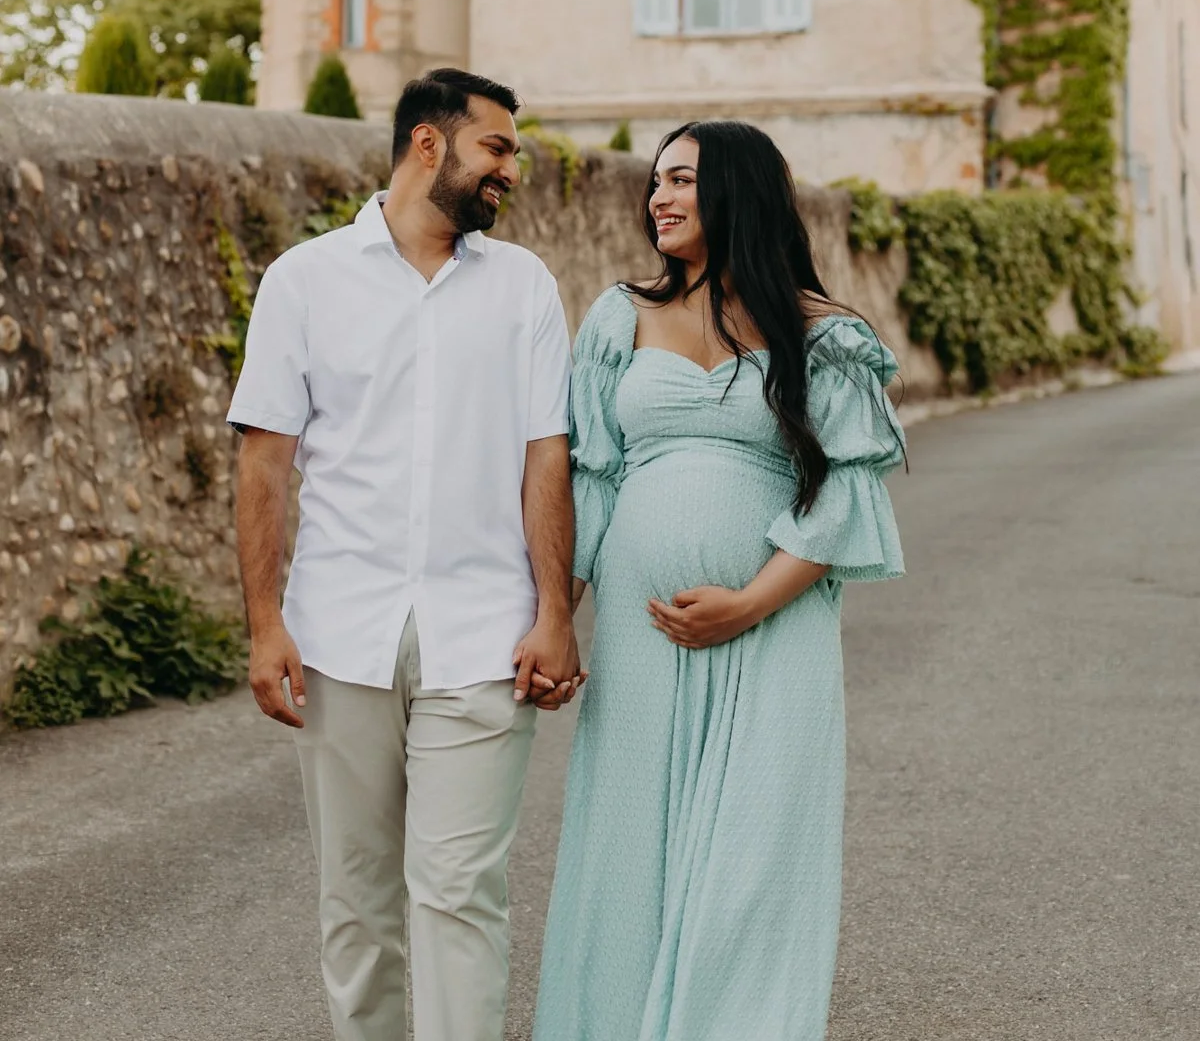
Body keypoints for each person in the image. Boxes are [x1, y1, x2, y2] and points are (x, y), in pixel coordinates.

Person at [534, 120, 906, 1041]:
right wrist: (556, 618)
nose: (657, 197)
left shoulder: (826, 335)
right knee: (629, 844)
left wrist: (749, 601)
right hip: (640, 627)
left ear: (738, 192)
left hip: (775, 627)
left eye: (682, 180)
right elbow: (593, 475)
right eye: (655, 181)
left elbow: (845, 496)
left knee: (753, 852)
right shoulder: (621, 318)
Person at [230, 67, 581, 1041]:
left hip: (485, 636)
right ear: (429, 145)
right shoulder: (303, 281)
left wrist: (557, 613)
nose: (514, 168)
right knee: (357, 904)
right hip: (342, 633)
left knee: (461, 891)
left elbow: (546, 457)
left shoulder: (524, 288)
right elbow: (265, 461)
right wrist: (266, 627)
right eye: (498, 148)